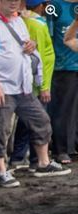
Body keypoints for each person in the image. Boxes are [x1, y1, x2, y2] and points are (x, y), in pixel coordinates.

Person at [0, 0, 69, 186]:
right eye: (9, 0)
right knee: (1, 128)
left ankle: (43, 162)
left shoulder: (19, 22)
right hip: (5, 87)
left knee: (41, 120)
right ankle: (0, 170)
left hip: (23, 86)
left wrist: (31, 47)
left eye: (16, 0)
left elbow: (27, 49)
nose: (13, 3)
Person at [47, 0, 78, 165]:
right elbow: (48, 36)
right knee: (63, 110)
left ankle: (74, 147)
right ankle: (61, 150)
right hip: (63, 67)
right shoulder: (54, 6)